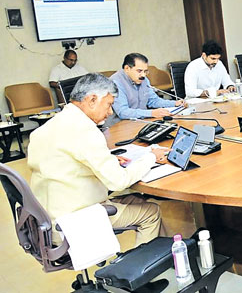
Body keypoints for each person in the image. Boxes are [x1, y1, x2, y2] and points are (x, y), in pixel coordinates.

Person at [28, 73, 167, 246]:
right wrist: (151, 157)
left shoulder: (48, 127)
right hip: (75, 220)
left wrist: (109, 159)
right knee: (151, 213)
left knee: (137, 200)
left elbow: (68, 161)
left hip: (48, 218)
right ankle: (142, 267)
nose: (110, 112)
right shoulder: (86, 131)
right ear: (92, 99)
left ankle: (161, 257)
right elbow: (118, 181)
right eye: (109, 105)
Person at [110, 53, 185, 122]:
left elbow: (153, 101)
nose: (143, 75)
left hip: (141, 121)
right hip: (120, 125)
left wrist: (175, 103)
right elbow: (123, 112)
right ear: (127, 68)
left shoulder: (144, 80)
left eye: (145, 71)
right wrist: (151, 113)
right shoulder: (115, 83)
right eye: (139, 71)